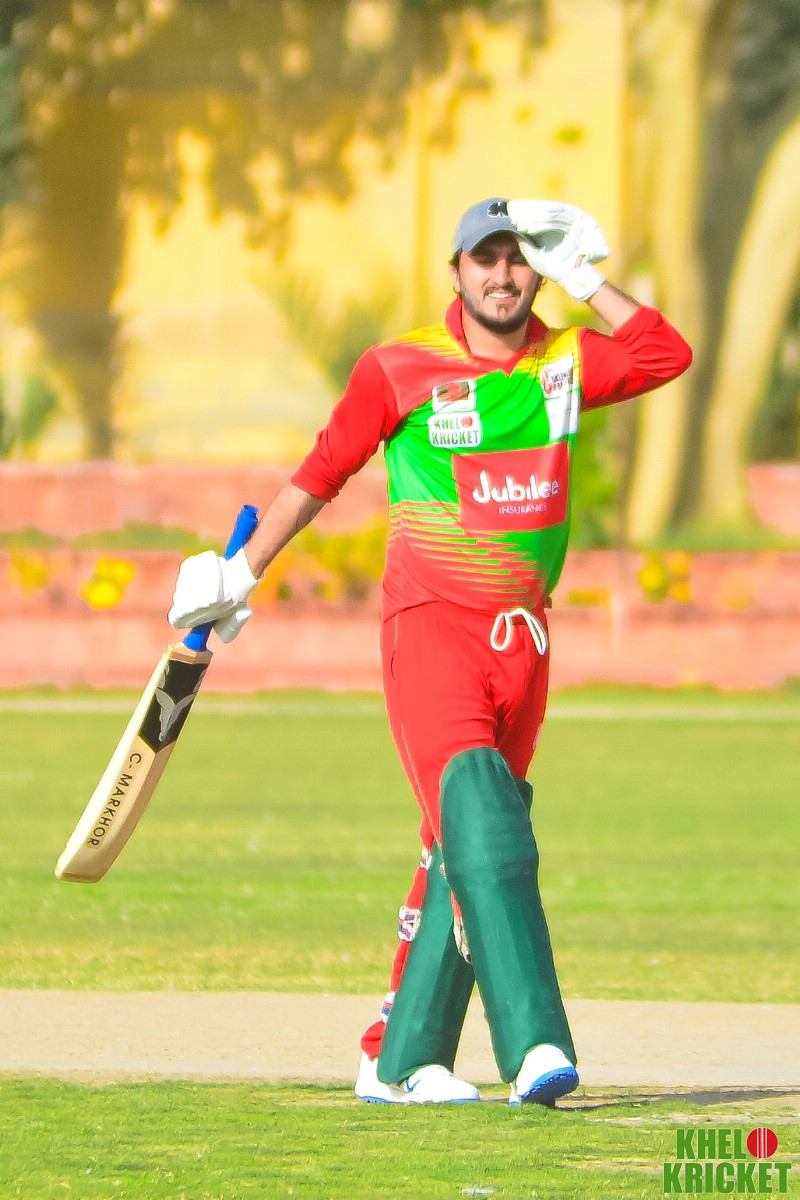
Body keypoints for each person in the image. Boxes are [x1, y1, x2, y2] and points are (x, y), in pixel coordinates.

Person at [168, 197, 693, 1107]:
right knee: (481, 815)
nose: (503, 274)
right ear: (456, 272)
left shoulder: (567, 361)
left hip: (525, 640)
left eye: (519, 258)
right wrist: (238, 574)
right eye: (485, 258)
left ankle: (397, 1057)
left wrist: (587, 280)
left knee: (458, 843)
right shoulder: (398, 368)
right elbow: (322, 473)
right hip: (431, 629)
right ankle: (534, 1044)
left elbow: (664, 354)